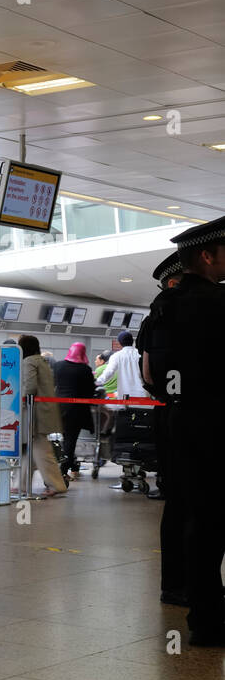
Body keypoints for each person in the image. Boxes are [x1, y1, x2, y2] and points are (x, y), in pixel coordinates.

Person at [159, 216, 225, 644]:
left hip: (181, 422)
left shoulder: (166, 305)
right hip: (216, 423)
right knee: (213, 523)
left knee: (200, 520)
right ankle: (209, 621)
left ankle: (204, 617)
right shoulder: (216, 303)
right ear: (207, 255)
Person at [138, 250, 187, 604]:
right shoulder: (177, 313)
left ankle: (174, 584)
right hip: (190, 417)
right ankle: (186, 586)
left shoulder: (152, 319)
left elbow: (148, 374)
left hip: (167, 411)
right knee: (192, 503)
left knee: (178, 501)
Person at [19, 334, 68, 497]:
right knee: (31, 450)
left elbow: (30, 386)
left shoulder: (28, 362)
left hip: (35, 414)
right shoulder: (42, 361)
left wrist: (20, 402)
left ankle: (56, 484)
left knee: (41, 450)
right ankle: (21, 483)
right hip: (45, 410)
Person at [54, 341, 97, 480]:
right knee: (70, 440)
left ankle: (71, 466)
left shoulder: (58, 366)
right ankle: (63, 470)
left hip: (59, 407)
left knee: (64, 439)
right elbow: (90, 391)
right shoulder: (85, 370)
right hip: (77, 410)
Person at [96, 331, 144, 403]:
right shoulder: (141, 354)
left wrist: (95, 383)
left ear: (120, 343)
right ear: (132, 341)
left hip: (125, 395)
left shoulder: (116, 356)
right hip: (142, 394)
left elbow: (108, 373)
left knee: (125, 413)